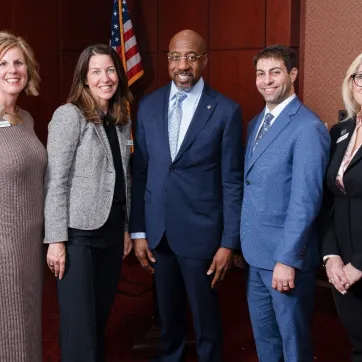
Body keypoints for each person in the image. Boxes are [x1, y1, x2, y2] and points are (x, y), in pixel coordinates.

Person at [130, 29, 243, 362]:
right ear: (167, 60)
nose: (183, 64)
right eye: (176, 56)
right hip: (159, 232)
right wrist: (139, 230)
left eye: (192, 57)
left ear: (204, 61)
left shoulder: (226, 110)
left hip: (202, 235)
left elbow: (232, 182)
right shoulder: (149, 105)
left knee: (206, 321)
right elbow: (141, 172)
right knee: (168, 318)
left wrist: (228, 243)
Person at [240, 45, 330, 362]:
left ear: (292, 75)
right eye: (260, 74)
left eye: (275, 72)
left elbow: (306, 201)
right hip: (255, 256)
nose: (266, 81)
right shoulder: (255, 124)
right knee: (265, 340)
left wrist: (287, 259)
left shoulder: (308, 127)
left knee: (293, 344)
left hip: (284, 260)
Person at [44, 43, 133, 362]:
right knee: (79, 325)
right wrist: (55, 239)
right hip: (78, 235)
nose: (105, 78)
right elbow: (55, 180)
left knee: (97, 319)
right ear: (84, 79)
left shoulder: (121, 119)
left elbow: (124, 178)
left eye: (110, 70)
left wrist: (124, 228)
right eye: (96, 72)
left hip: (111, 232)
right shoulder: (69, 116)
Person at [0, 31, 46, 362]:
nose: (13, 69)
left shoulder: (26, 119)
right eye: (2, 62)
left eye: (18, 62)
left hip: (30, 244)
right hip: (3, 247)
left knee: (28, 322)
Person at [322, 53, 362, 362]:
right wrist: (331, 255)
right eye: (359, 76)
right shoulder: (340, 132)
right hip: (341, 265)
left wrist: (358, 265)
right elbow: (330, 201)